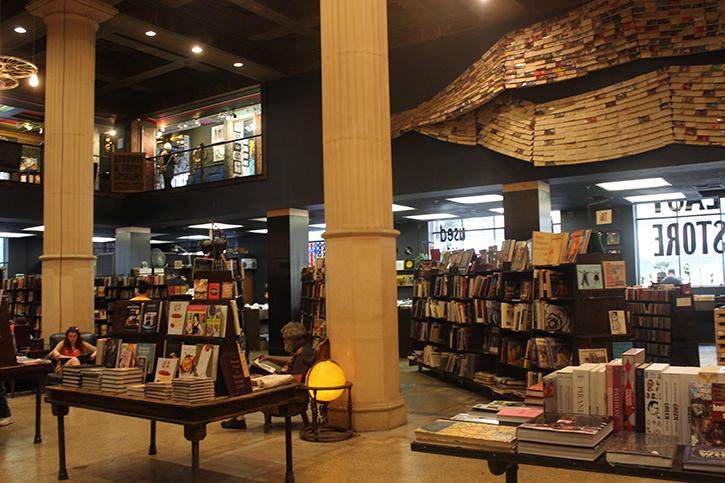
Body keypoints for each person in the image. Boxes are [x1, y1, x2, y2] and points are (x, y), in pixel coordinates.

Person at [221, 321, 315, 430]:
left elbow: (297, 379)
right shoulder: (303, 350)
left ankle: (239, 418)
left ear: (296, 339)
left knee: (245, 386)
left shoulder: (302, 355)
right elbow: (290, 362)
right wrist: (269, 358)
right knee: (251, 379)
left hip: (288, 392)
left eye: (286, 339)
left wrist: (274, 379)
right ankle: (238, 418)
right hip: (284, 382)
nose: (284, 341)